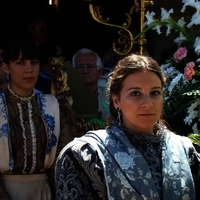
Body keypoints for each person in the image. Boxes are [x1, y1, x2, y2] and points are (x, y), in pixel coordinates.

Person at [55, 53, 200, 200]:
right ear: (116, 100)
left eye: (155, 92)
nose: (148, 103)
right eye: (135, 93)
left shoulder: (186, 152)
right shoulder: (86, 156)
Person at [0, 35, 80, 200]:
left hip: (45, 193)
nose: (29, 69)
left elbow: (65, 163)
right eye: (20, 63)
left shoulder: (54, 107)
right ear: (6, 67)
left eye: (34, 62)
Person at [72, 48, 109, 119]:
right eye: (80, 67)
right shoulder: (67, 98)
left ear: (100, 72)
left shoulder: (109, 96)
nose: (85, 71)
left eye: (90, 66)